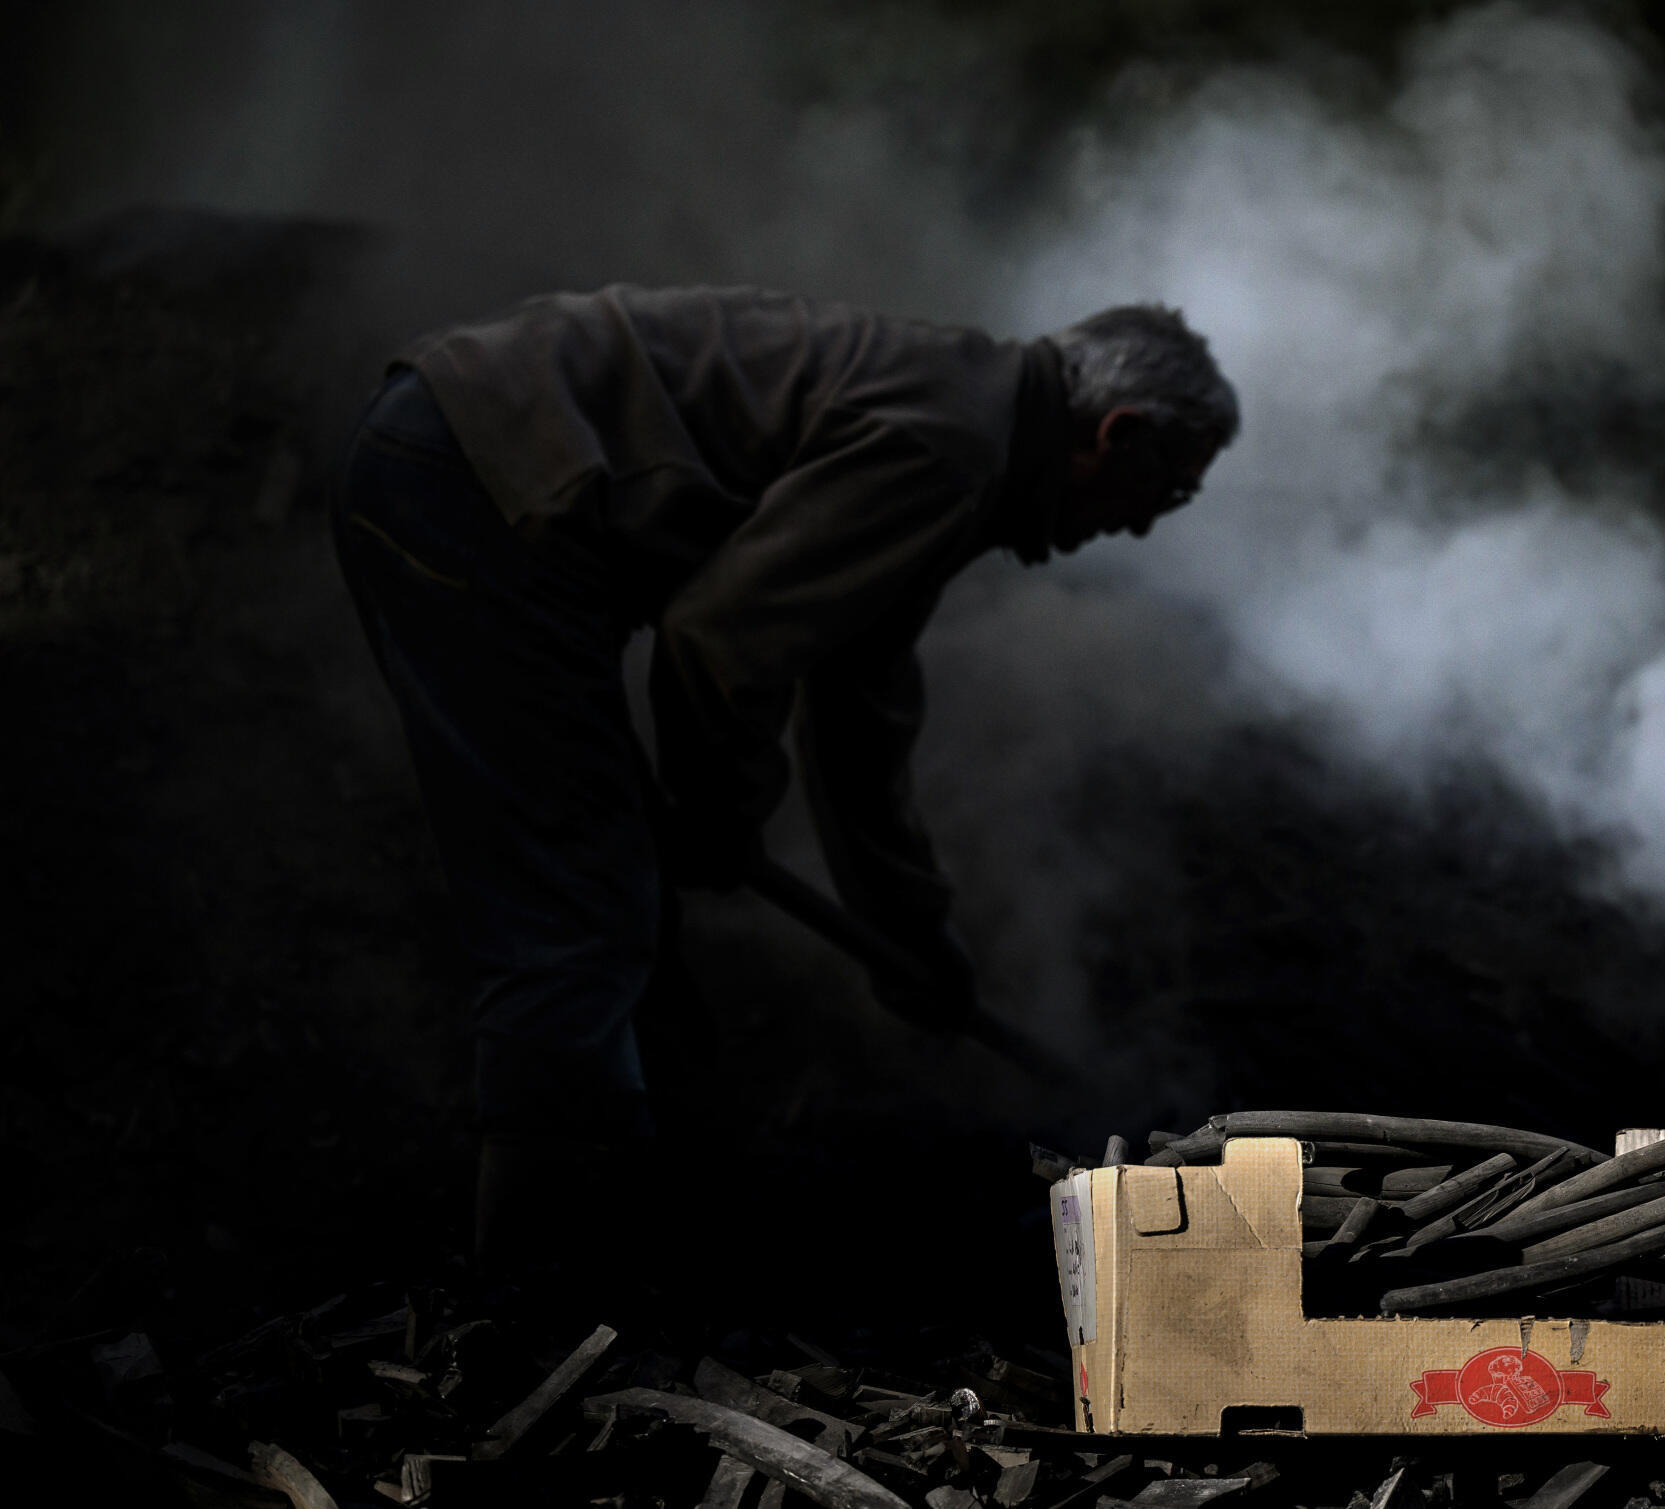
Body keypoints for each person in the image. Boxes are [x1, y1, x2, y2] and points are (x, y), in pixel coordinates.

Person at [331, 287, 1238, 1270]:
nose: (1141, 529)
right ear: (1117, 433)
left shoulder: (964, 425)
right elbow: (722, 641)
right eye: (1167, 493)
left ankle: (643, 1212)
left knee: (612, 895)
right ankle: (540, 1297)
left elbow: (858, 708)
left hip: (474, 462)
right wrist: (719, 809)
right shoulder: (950, 445)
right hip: (473, 478)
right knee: (582, 912)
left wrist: (910, 938)